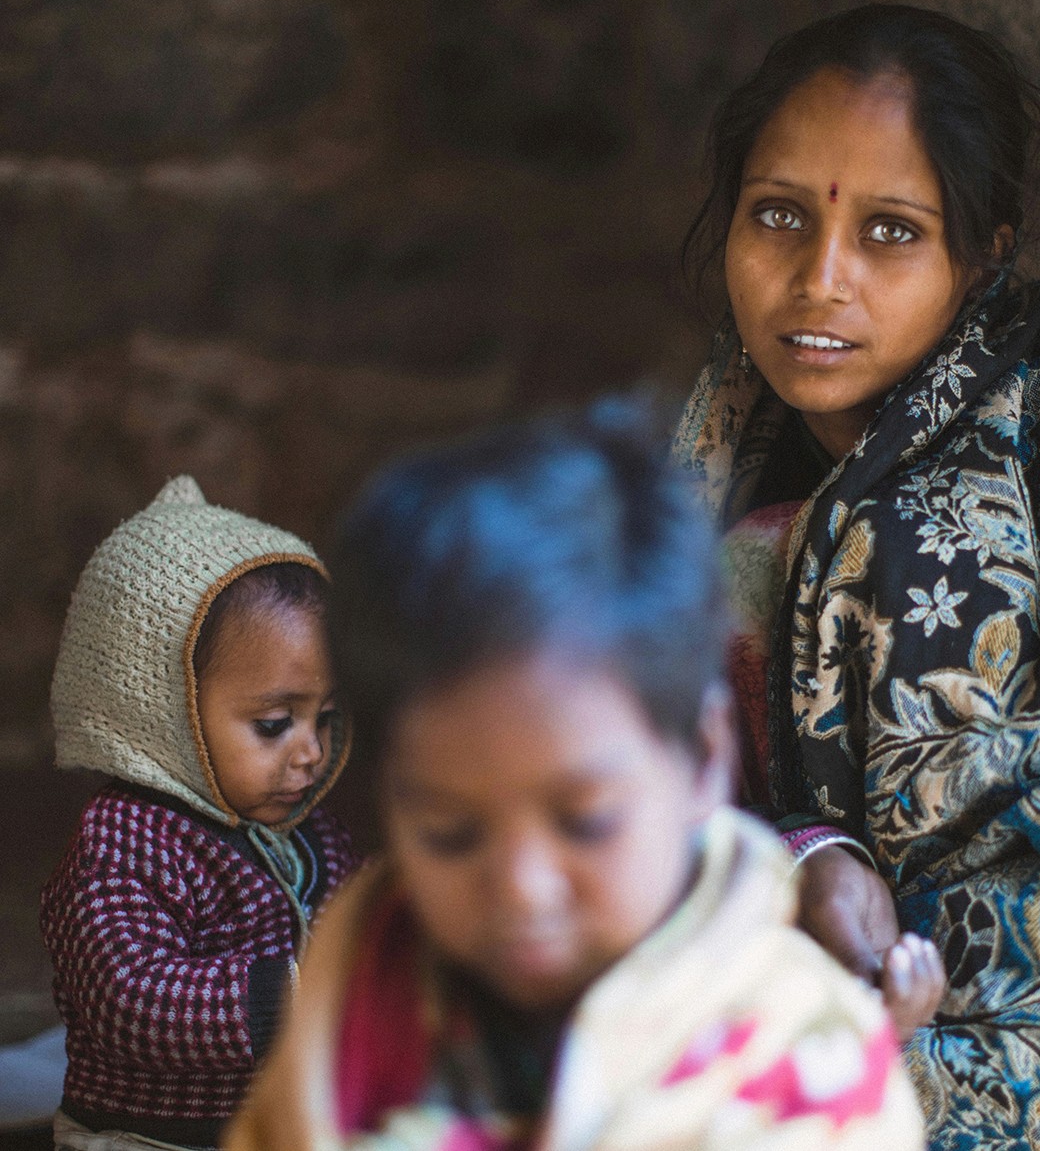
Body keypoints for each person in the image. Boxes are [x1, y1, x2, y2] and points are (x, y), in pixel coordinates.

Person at [673, 2, 1040, 1150]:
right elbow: (605, 777)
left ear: (983, 246)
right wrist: (805, 857)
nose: (817, 278)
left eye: (889, 231)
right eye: (776, 215)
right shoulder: (710, 464)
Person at [226, 399, 934, 1151]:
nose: (522, 886)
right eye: (448, 834)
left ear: (701, 762)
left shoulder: (804, 1050)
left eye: (587, 822)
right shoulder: (363, 969)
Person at [41, 475, 358, 1151]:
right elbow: (124, 998)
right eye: (275, 724)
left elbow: (356, 924)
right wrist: (286, 994)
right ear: (163, 715)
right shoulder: (123, 842)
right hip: (149, 1136)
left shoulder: (310, 836)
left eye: (325, 718)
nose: (311, 752)